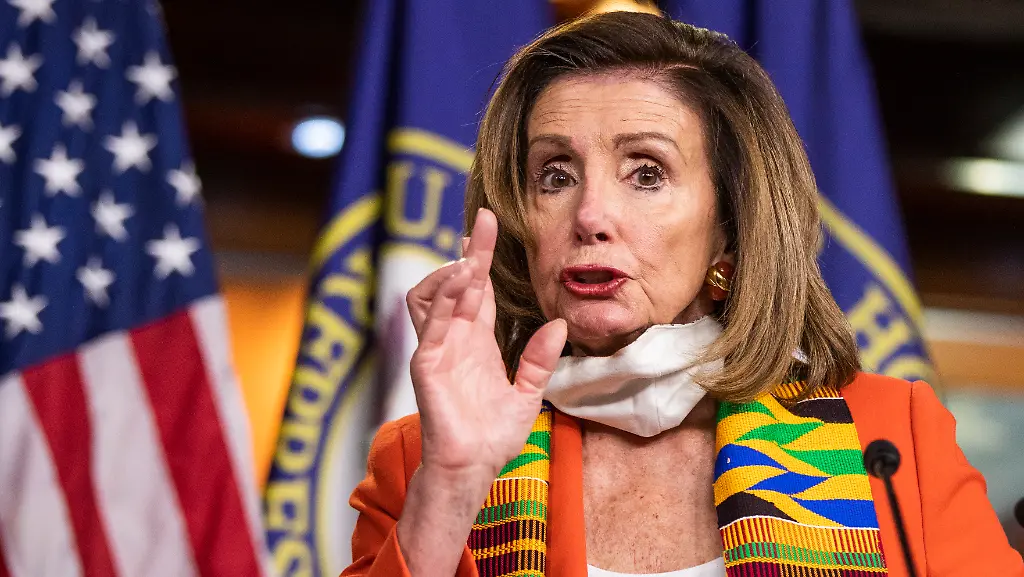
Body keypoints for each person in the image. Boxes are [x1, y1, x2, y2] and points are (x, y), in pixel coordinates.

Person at [342, 11, 1024, 577]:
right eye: (555, 175)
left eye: (646, 173)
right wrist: (452, 485)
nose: (590, 215)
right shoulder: (422, 460)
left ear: (728, 225)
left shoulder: (892, 439)